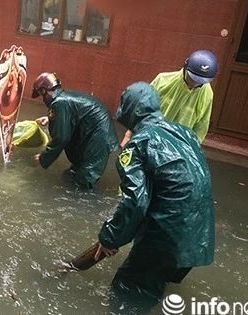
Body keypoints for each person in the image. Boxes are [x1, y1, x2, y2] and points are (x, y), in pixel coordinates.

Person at [94, 82, 215, 302]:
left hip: (167, 237)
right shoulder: (185, 133)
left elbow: (136, 201)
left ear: (129, 109)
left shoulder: (137, 145)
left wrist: (110, 238)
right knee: (158, 281)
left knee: (128, 292)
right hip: (201, 235)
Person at [31, 72, 119, 189]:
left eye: (41, 95)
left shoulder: (59, 102)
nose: (43, 100)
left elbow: (61, 138)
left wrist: (44, 158)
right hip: (95, 134)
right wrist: (50, 119)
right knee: (71, 174)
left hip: (99, 139)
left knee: (83, 181)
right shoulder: (63, 98)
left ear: (44, 91)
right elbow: (77, 114)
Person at [120, 49, 218, 146]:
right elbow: (142, 109)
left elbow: (201, 125)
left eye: (201, 81)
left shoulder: (207, 94)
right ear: (185, 68)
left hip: (177, 146)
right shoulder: (163, 81)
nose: (195, 83)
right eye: (193, 78)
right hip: (149, 137)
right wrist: (128, 135)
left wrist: (192, 149)